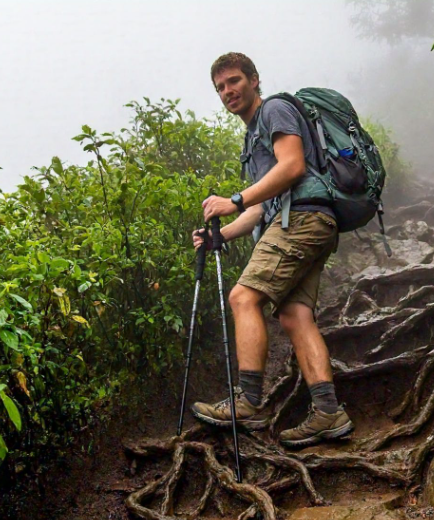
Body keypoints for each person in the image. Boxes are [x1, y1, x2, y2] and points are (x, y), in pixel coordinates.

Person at [191, 52, 354, 447]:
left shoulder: (275, 110)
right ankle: (328, 412)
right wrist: (221, 235)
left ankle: (247, 402)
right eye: (220, 88)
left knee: (243, 297)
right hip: (310, 221)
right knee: (295, 315)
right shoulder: (252, 137)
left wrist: (234, 198)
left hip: (301, 220)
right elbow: (265, 203)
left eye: (233, 81)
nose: (228, 91)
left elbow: (293, 166)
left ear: (253, 79)